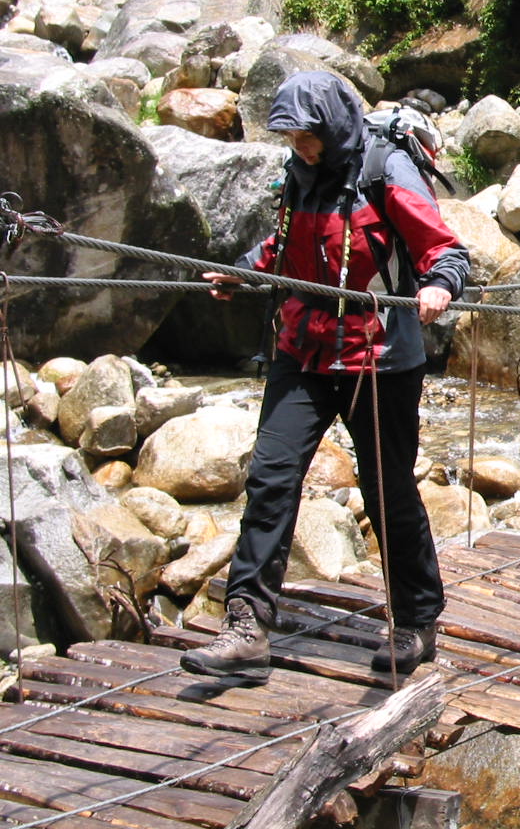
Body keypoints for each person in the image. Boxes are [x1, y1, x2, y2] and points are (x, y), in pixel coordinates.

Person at [181, 71, 470, 683]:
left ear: (334, 127)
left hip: (379, 359)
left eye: (307, 137)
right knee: (270, 479)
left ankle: (416, 623)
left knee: (387, 491)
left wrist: (441, 285)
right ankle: (247, 628)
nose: (299, 148)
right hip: (303, 351)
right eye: (290, 138)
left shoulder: (384, 169)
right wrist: (246, 272)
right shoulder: (299, 174)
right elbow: (287, 247)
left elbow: (444, 249)